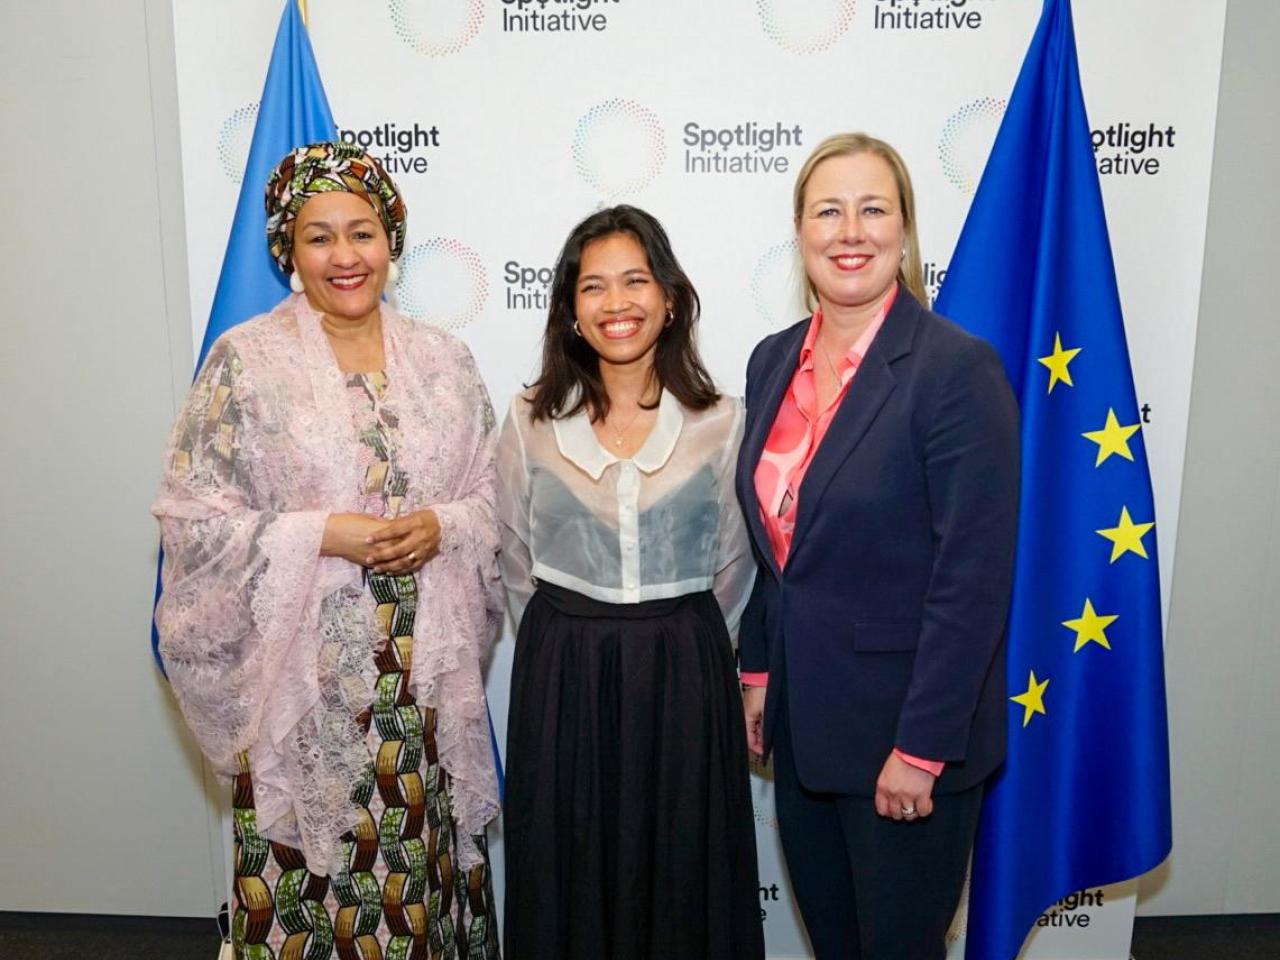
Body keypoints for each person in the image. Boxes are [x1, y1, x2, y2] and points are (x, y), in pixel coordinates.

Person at [153, 142, 502, 959]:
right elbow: (193, 520)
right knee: (313, 893)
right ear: (287, 250)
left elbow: (495, 498)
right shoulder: (246, 361)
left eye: (363, 232)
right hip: (300, 694)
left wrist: (444, 525)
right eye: (319, 236)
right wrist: (322, 534)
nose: (345, 256)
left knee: (417, 881)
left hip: (420, 693)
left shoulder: (444, 361)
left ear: (392, 240)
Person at [736, 133, 1020, 959]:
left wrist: (921, 750)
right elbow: (778, 552)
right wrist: (758, 669)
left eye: (873, 209)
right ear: (800, 231)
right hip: (805, 731)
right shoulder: (770, 362)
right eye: (828, 210)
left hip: (906, 742)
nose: (849, 230)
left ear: (904, 230)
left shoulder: (955, 371)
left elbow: (972, 582)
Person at [496, 205, 765, 960]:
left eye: (636, 281)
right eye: (594, 287)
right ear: (570, 310)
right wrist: (565, 640)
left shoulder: (723, 421)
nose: (617, 304)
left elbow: (736, 566)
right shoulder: (527, 421)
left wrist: (690, 647)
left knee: (682, 869)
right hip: (563, 673)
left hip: (684, 672)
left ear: (670, 297)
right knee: (568, 867)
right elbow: (513, 554)